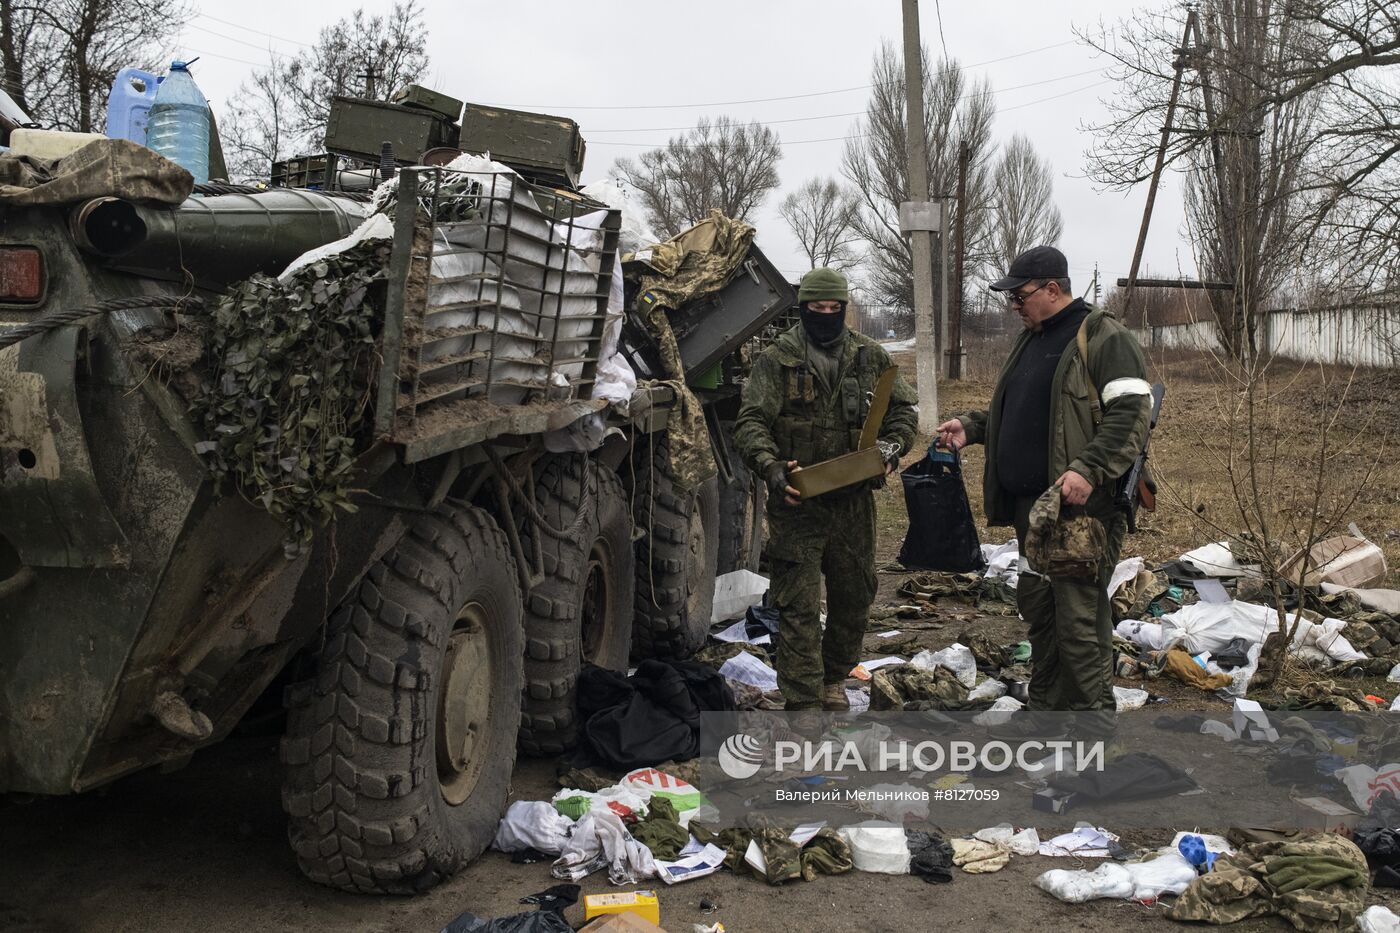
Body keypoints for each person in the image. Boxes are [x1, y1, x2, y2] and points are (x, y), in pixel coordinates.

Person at [937, 246, 1152, 712]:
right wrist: (973, 427)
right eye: (1011, 299)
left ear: (1053, 289)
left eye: (1021, 297)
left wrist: (1088, 468)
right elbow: (1027, 414)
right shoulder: (1032, 338)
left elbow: (1132, 415)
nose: (1014, 306)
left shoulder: (1103, 337)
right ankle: (1050, 709)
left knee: (1077, 616)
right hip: (1031, 510)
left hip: (1078, 510)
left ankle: (1089, 725)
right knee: (1040, 609)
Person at [735, 267, 918, 711]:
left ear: (844, 308)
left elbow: (904, 415)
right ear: (803, 309)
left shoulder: (870, 357)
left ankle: (834, 678)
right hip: (798, 503)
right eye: (817, 308)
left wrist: (888, 452)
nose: (827, 315)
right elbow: (751, 421)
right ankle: (802, 699)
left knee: (854, 595)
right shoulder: (778, 359)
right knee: (797, 604)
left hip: (852, 504)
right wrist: (772, 466)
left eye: (835, 309)